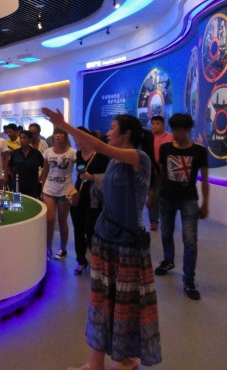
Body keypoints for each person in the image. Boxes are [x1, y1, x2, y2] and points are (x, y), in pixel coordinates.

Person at [43, 108, 161, 370]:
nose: (108, 132)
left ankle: (127, 358)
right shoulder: (115, 162)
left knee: (125, 304)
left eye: (112, 128)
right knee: (101, 301)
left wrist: (64, 125)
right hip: (107, 238)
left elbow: (97, 145)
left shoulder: (138, 157)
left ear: (126, 133)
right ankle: (95, 362)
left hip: (128, 244)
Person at [154, 113, 208, 301]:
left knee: (190, 240)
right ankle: (168, 261)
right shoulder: (166, 148)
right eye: (175, 130)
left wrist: (205, 203)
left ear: (188, 130)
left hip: (189, 199)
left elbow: (205, 179)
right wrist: (153, 194)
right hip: (167, 198)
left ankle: (189, 280)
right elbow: (161, 174)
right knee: (166, 234)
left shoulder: (199, 151)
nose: (177, 134)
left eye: (181, 130)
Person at [69, 127, 110, 275]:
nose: (76, 142)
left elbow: (109, 177)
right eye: (74, 139)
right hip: (78, 196)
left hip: (95, 199)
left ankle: (97, 261)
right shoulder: (78, 154)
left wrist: (92, 177)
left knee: (92, 231)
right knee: (78, 230)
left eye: (78, 139)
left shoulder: (101, 155)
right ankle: (81, 260)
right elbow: (80, 174)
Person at [39, 128, 76, 260]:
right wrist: (42, 188)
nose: (58, 136)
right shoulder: (48, 152)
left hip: (65, 190)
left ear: (65, 136)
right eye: (56, 133)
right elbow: (45, 171)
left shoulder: (73, 153)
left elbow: (81, 168)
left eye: (61, 133)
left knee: (62, 221)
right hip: (49, 189)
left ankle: (63, 248)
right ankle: (48, 248)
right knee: (49, 220)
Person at [147, 115, 172, 231]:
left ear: (163, 125)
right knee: (153, 195)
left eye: (157, 123)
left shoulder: (170, 137)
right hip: (152, 171)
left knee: (165, 197)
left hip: (166, 171)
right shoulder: (147, 137)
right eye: (153, 124)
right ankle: (153, 221)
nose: (154, 126)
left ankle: (167, 219)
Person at [8, 130, 44, 198]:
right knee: (17, 203)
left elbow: (44, 166)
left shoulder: (36, 153)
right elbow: (9, 166)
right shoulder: (15, 153)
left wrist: (40, 178)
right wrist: (13, 177)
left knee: (31, 203)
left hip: (32, 186)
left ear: (30, 140)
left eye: (24, 138)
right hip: (18, 185)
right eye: (20, 138)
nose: (22, 140)